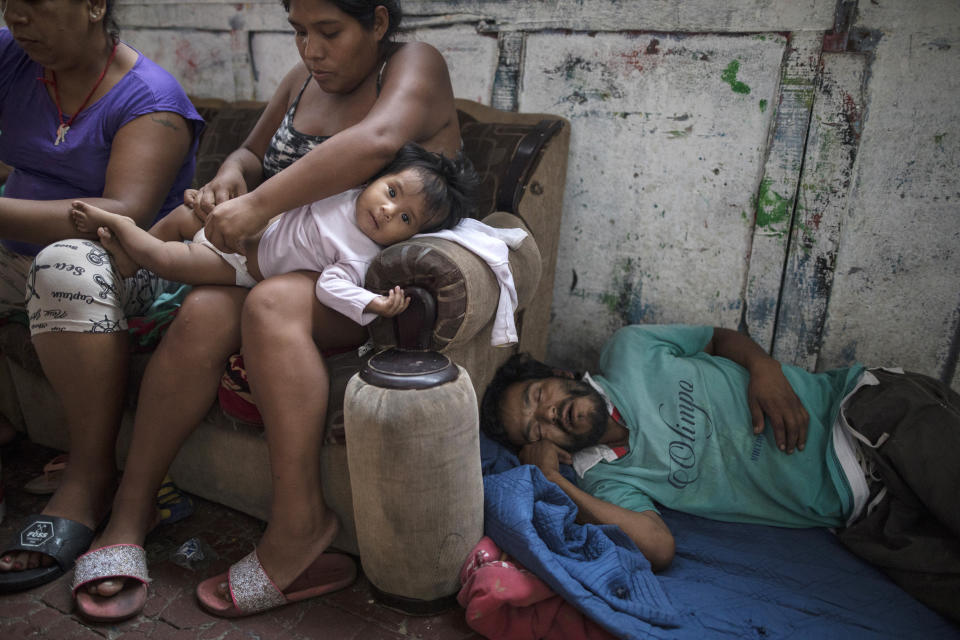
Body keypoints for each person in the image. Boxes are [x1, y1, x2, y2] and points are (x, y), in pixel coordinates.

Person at [47, 0, 463, 622]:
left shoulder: (414, 65)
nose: (310, 50)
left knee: (267, 303)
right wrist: (229, 180)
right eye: (299, 31)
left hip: (353, 278)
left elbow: (375, 140)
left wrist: (259, 207)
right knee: (206, 312)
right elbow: (249, 153)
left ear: (377, 22)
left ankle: (300, 525)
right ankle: (131, 511)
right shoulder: (302, 82)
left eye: (329, 32)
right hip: (272, 256)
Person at [480, 324, 960, 622]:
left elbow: (715, 338)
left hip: (862, 416)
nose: (549, 415)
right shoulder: (609, 480)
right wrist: (556, 484)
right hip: (868, 515)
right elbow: (658, 547)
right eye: (536, 428)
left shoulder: (630, 351)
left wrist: (764, 368)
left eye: (539, 397)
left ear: (561, 375)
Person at [0, 0, 202, 594]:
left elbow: (120, 217)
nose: (18, 21)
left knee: (67, 262)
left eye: (36, 6)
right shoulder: (13, 59)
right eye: (10, 5)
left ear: (94, 5)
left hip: (127, 269)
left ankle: (88, 480)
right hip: (16, 258)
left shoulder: (150, 99)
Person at [69, 142, 477, 321]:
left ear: (411, 236)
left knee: (171, 260)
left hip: (240, 264)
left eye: (406, 219)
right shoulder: (347, 190)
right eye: (391, 192)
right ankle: (129, 257)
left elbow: (330, 288)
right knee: (181, 218)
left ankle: (123, 226)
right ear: (379, 178)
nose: (388, 211)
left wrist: (371, 302)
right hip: (248, 226)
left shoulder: (358, 255)